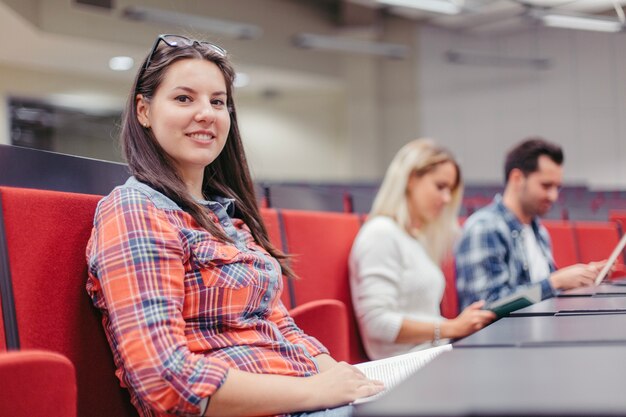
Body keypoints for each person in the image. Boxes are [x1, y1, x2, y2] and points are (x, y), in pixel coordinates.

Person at [86, 34, 383, 417]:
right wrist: (315, 392)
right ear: (143, 110)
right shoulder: (136, 211)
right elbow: (164, 380)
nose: (206, 113)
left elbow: (279, 326)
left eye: (218, 102)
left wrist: (348, 383)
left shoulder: (225, 220)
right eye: (183, 98)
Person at [349, 139, 495, 360]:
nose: (446, 199)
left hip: (433, 356)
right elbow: (376, 322)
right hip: (407, 367)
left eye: (450, 190)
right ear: (410, 179)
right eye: (440, 187)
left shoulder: (412, 238)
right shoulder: (381, 234)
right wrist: (452, 328)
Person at [455, 137, 605, 310]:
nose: (553, 196)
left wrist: (581, 278)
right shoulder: (485, 228)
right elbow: (486, 307)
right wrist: (555, 282)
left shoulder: (538, 231)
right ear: (517, 178)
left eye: (557, 187)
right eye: (546, 185)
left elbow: (539, 294)